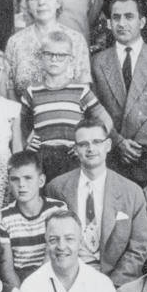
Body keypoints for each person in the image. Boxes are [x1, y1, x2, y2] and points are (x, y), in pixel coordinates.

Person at [43, 117, 147, 287]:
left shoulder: (132, 192)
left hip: (117, 283)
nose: (91, 149)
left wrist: (111, 285)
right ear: (75, 149)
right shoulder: (56, 189)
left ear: (107, 145)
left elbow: (138, 247)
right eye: (83, 144)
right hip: (70, 280)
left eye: (97, 142)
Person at [90, 0, 147, 188]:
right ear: (109, 23)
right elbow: (94, 109)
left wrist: (134, 144)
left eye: (129, 17)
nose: (122, 23)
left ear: (142, 21)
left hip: (146, 154)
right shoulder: (97, 62)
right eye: (116, 17)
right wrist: (118, 142)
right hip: (111, 153)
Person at [18, 30, 111, 182]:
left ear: (71, 59)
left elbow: (106, 121)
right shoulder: (32, 91)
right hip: (43, 156)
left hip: (71, 157)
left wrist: (86, 144)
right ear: (41, 57)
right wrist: (25, 143)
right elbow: (17, 124)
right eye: (49, 54)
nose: (54, 59)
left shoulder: (81, 90)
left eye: (61, 55)